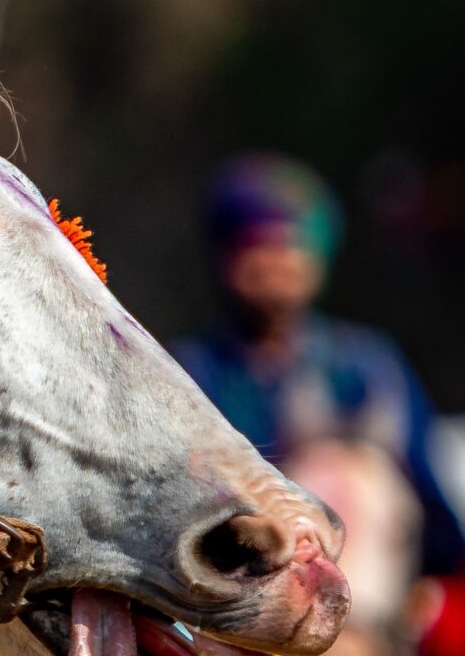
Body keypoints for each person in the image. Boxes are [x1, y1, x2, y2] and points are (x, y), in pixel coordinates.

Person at [175, 154, 465, 579]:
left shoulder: (371, 367)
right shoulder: (192, 373)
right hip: (246, 594)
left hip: (378, 599)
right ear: (223, 256)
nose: (276, 261)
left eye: (291, 244)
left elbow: (430, 498)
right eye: (255, 243)